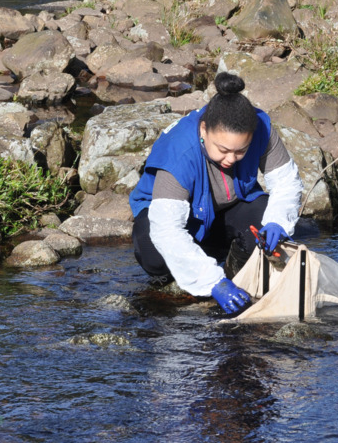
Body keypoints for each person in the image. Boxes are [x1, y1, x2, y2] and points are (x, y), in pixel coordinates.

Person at [130, 71, 304, 316]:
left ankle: (236, 272)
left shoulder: (260, 127)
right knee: (155, 257)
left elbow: (286, 183)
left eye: (241, 151)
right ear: (204, 130)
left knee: (265, 218)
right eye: (223, 150)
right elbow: (167, 229)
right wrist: (213, 283)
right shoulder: (179, 152)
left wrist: (277, 222)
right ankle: (192, 275)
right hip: (169, 216)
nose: (231, 159)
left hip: (227, 210)